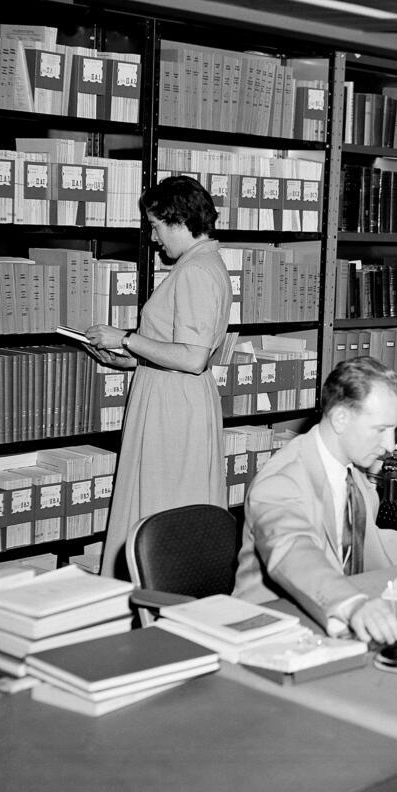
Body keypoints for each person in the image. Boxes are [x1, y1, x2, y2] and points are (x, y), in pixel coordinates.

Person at [86, 175, 232, 581]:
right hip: (172, 394)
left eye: (155, 226)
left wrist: (125, 339)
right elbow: (180, 350)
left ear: (179, 221)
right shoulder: (202, 264)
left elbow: (193, 358)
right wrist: (133, 360)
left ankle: (159, 587)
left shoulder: (196, 271)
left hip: (174, 407)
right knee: (163, 496)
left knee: (164, 501)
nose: (153, 238)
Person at [234, 357, 397, 644]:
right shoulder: (282, 481)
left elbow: (358, 542)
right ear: (341, 418)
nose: (390, 446)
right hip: (273, 628)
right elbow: (292, 549)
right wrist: (351, 604)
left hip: (330, 618)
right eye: (380, 429)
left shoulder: (352, 473)